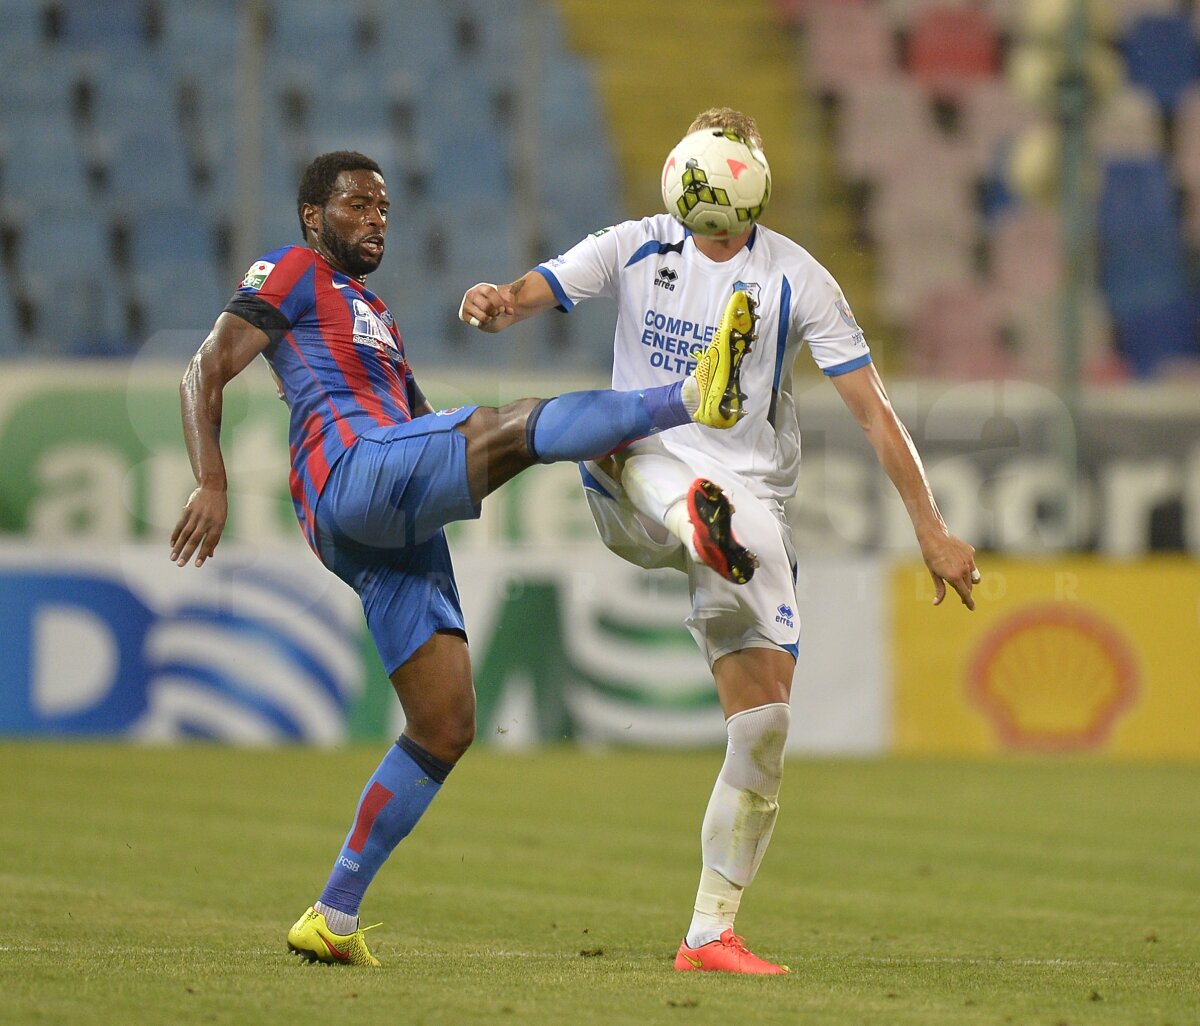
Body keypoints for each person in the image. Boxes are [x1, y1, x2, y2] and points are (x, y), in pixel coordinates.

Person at [169, 150, 755, 968]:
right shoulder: (293, 270)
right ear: (313, 217)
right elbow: (205, 367)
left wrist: (474, 459)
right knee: (515, 424)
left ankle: (332, 915)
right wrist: (211, 479)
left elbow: (421, 425)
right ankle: (694, 395)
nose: (376, 218)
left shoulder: (373, 312)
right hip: (351, 472)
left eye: (383, 206)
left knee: (445, 724)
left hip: (389, 516)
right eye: (356, 205)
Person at [458, 108, 980, 975]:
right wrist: (496, 302)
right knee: (624, 432)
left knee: (766, 722)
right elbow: (533, 293)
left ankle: (708, 933)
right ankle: (689, 512)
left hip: (749, 500)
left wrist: (930, 524)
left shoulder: (798, 279)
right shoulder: (636, 243)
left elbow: (875, 412)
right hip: (636, 473)